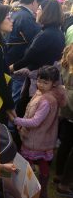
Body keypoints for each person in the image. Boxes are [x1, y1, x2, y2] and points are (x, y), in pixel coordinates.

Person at [9, 66, 66, 198]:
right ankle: (41, 190)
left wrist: (17, 121)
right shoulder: (46, 94)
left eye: (45, 82)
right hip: (44, 138)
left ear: (54, 83)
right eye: (39, 81)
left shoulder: (46, 100)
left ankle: (28, 189)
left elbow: (35, 121)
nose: (40, 84)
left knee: (27, 164)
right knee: (42, 163)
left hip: (35, 139)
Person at [5, 0, 45, 106]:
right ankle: (9, 124)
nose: (38, 7)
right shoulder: (26, 18)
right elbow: (37, 42)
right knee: (14, 100)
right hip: (18, 66)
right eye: (38, 3)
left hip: (9, 61)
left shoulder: (15, 13)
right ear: (34, 2)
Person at [54, 45, 73, 197]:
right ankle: (65, 183)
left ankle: (59, 175)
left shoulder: (69, 51)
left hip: (67, 106)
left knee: (66, 143)